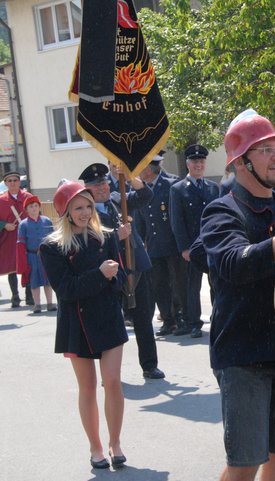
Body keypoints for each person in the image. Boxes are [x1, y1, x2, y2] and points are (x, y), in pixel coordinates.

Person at [200, 110, 275, 481]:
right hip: (244, 355)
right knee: (244, 464)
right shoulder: (221, 211)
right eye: (265, 149)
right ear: (240, 162)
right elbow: (233, 263)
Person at [39, 181, 128, 470]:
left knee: (112, 381)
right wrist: (100, 275)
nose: (85, 211)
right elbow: (65, 289)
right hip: (76, 324)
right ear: (64, 211)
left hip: (108, 317)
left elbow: (122, 279)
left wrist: (114, 277)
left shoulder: (105, 237)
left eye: (88, 206)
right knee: (87, 387)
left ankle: (115, 443)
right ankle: (96, 447)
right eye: (78, 207)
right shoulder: (50, 246)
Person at [79, 163, 165, 380]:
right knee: (110, 322)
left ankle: (149, 365)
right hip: (110, 272)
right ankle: (110, 371)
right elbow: (88, 245)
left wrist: (131, 176)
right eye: (97, 186)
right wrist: (116, 237)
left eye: (104, 183)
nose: (103, 188)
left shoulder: (119, 201)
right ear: (87, 189)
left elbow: (146, 195)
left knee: (144, 318)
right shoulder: (86, 214)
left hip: (135, 266)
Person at [169, 144, 219, 338]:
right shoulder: (178, 189)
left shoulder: (213, 188)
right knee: (192, 286)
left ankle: (217, 317)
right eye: (194, 161)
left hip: (213, 245)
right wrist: (184, 248)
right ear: (187, 164)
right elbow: (177, 221)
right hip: (192, 246)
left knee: (216, 283)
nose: (198, 165)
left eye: (201, 161)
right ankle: (194, 323)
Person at [138, 155, 188, 336]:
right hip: (153, 245)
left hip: (172, 244)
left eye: (141, 167)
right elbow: (141, 219)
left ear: (149, 170)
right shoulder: (140, 189)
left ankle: (181, 317)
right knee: (159, 284)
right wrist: (141, 242)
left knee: (177, 282)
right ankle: (168, 319)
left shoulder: (171, 185)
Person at [15, 194, 56, 313]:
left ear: (39, 207)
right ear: (26, 210)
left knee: (47, 280)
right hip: (31, 256)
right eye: (30, 207)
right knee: (34, 281)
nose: (33, 209)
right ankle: (37, 304)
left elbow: (53, 239)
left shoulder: (46, 220)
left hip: (46, 256)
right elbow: (20, 243)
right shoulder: (23, 224)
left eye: (35, 206)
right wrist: (23, 261)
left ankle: (50, 303)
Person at [0, 171, 34, 308]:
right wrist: (4, 225)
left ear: (19, 182)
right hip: (9, 237)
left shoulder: (29, 197)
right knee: (11, 266)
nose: (12, 183)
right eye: (9, 181)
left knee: (28, 264)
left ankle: (30, 295)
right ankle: (15, 296)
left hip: (27, 236)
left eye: (15, 180)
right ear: (6, 183)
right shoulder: (1, 201)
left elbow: (38, 214)